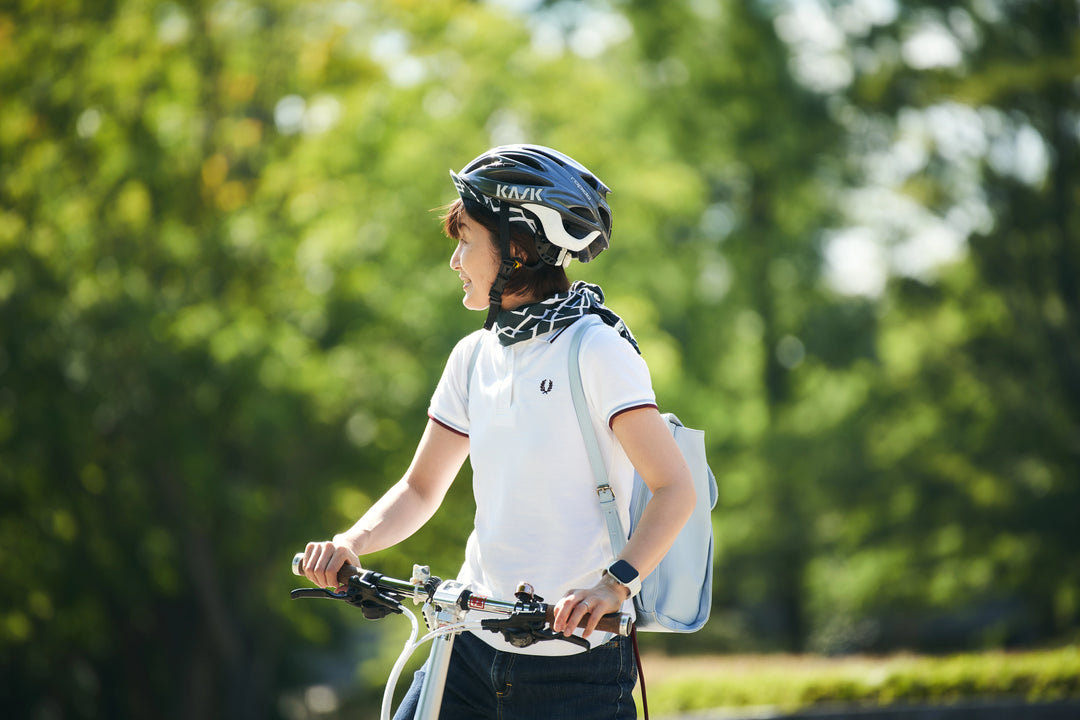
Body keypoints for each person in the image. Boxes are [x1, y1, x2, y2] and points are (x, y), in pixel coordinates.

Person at [301, 144, 696, 719]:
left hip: (574, 666)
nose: (455, 260)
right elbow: (420, 489)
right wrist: (350, 544)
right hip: (466, 644)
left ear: (515, 249)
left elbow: (674, 489)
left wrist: (614, 586)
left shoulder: (595, 349)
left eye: (466, 241)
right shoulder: (473, 356)